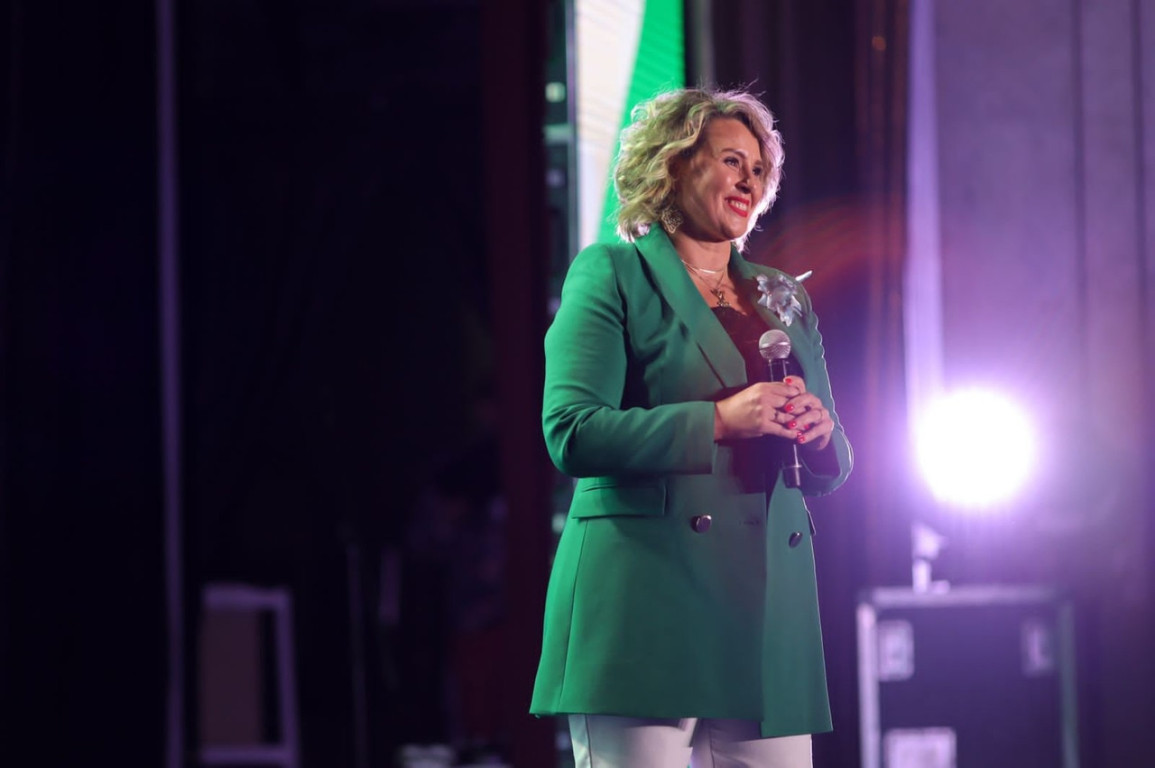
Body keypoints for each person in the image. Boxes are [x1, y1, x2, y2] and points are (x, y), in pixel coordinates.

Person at [529, 87, 853, 768]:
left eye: (759, 169)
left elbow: (834, 461)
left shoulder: (781, 295)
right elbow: (572, 431)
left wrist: (820, 433)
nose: (749, 181)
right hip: (647, 604)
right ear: (672, 164)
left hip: (766, 616)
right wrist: (719, 421)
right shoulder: (611, 273)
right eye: (732, 161)